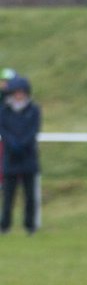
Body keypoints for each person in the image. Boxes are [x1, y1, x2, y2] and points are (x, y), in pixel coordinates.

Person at [0, 76, 41, 235]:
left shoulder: (33, 110)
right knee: (8, 195)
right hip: (11, 157)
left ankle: (30, 225)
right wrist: (12, 143)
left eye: (22, 92)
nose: (19, 95)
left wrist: (23, 144)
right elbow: (3, 129)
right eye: (16, 92)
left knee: (30, 195)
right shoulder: (4, 110)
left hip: (28, 156)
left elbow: (34, 130)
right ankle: (5, 225)